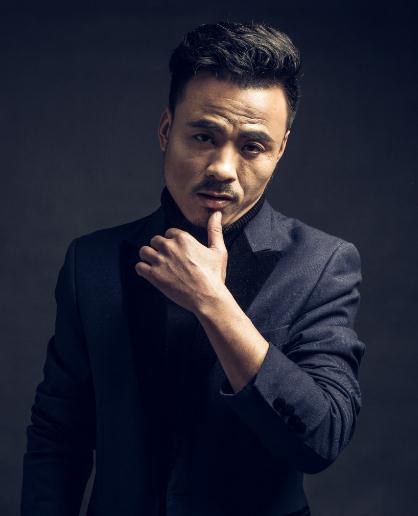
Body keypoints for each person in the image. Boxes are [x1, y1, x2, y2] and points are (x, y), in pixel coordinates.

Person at [21, 21, 365, 516]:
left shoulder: (323, 264)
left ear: (280, 150)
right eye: (203, 136)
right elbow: (58, 435)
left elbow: (320, 438)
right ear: (167, 131)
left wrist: (214, 303)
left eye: (252, 146)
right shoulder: (90, 262)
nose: (222, 168)